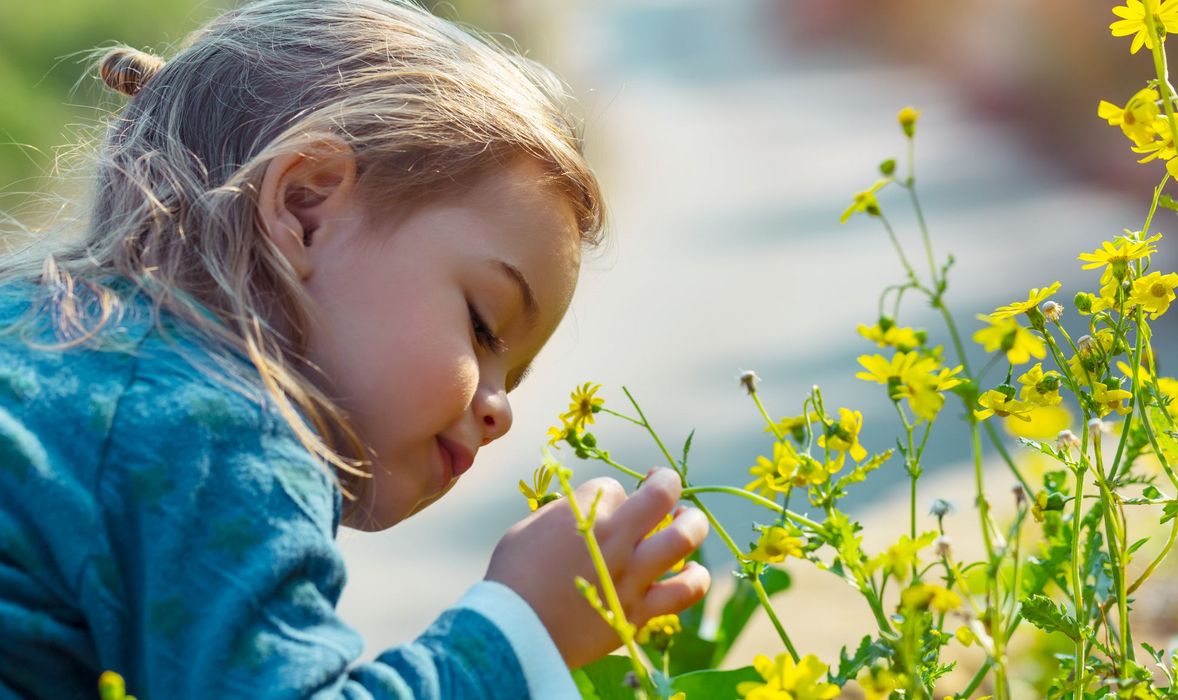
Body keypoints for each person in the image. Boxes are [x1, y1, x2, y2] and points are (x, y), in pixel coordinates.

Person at [0, 1, 711, 697]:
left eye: (515, 377)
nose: (499, 410)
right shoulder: (215, 432)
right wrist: (520, 630)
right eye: (483, 326)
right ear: (305, 206)